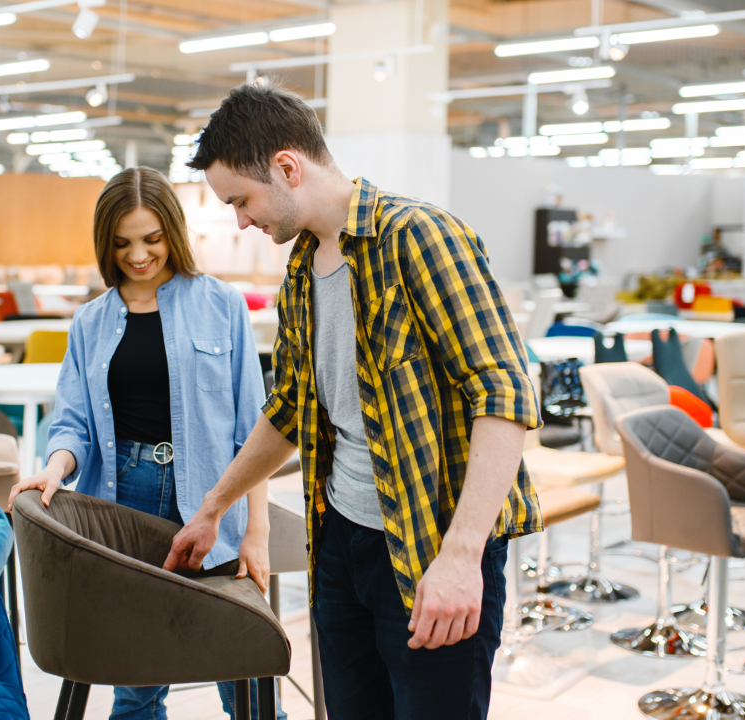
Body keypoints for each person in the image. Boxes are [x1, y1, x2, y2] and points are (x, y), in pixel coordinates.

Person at [162, 84, 542, 719]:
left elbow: (502, 392)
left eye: (242, 201)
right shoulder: (304, 268)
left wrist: (462, 554)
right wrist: (213, 506)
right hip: (340, 541)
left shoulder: (419, 237)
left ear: (286, 167)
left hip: (427, 546)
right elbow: (290, 407)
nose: (241, 221)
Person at [7, 167, 284, 720]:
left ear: (173, 234)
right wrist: (55, 467)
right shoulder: (89, 322)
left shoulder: (222, 306)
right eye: (123, 243)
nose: (138, 255)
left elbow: (254, 427)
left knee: (247, 678)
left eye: (152, 239)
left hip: (213, 502)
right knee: (136, 683)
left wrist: (257, 530)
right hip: (121, 503)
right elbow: (73, 426)